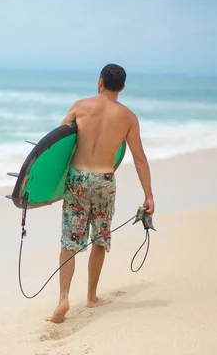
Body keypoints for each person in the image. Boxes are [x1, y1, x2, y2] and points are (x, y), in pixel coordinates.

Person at [48, 63, 154, 324]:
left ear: (100, 83)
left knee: (70, 241)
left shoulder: (80, 106)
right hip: (105, 180)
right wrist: (148, 196)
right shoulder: (128, 118)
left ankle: (63, 297)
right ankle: (92, 296)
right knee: (100, 238)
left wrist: (47, 186)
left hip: (78, 179)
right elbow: (140, 159)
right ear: (123, 87)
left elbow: (56, 145)